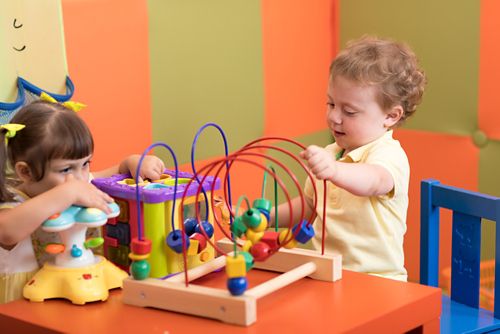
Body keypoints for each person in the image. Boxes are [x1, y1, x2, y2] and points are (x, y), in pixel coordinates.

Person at [276, 36, 426, 281]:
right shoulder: (330, 154)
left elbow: (374, 180)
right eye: (331, 103)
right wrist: (264, 216)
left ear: (390, 116)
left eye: (349, 111)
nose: (334, 117)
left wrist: (334, 171)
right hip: (327, 275)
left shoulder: (388, 155)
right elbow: (309, 206)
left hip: (379, 281)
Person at [0, 100, 165, 303]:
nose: (79, 178)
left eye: (85, 164)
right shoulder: (12, 200)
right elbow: (7, 231)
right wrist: (66, 193)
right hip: (25, 306)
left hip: (75, 293)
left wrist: (130, 163)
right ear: (26, 171)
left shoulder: (75, 183)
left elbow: (105, 178)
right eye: (66, 169)